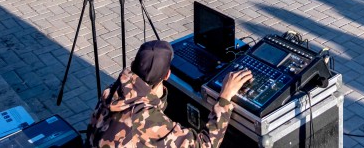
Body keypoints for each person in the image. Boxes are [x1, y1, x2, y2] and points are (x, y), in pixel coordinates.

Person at [86, 40, 252, 148]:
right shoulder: (145, 119)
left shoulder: (114, 90)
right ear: (167, 75)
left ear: (133, 64)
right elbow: (205, 145)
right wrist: (224, 99)